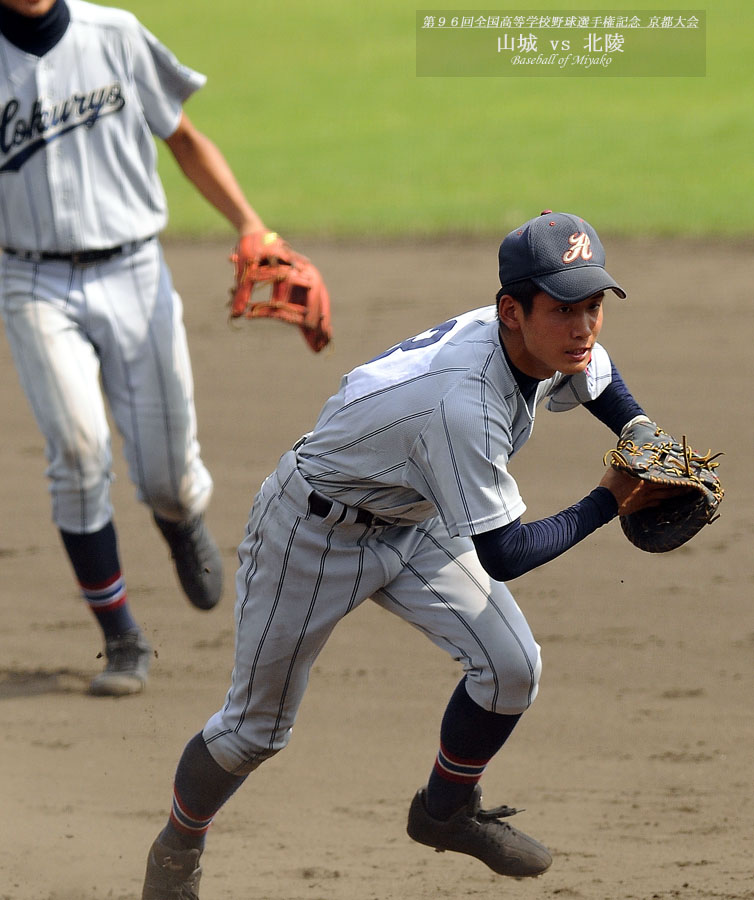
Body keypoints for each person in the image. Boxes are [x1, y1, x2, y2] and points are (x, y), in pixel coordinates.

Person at [140, 210, 674, 897]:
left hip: (416, 516)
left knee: (511, 668)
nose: (583, 327)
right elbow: (505, 551)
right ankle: (178, 847)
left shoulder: (545, 343)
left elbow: (598, 375)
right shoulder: (464, 404)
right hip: (312, 532)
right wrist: (611, 497)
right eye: (565, 309)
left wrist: (638, 426)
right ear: (513, 311)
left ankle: (446, 811)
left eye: (594, 306)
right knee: (254, 732)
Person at [0, 0, 293, 696]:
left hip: (134, 272)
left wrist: (250, 224)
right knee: (77, 451)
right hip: (29, 280)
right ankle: (121, 634)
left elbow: (183, 138)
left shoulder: (116, 34)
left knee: (164, 474)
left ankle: (177, 514)